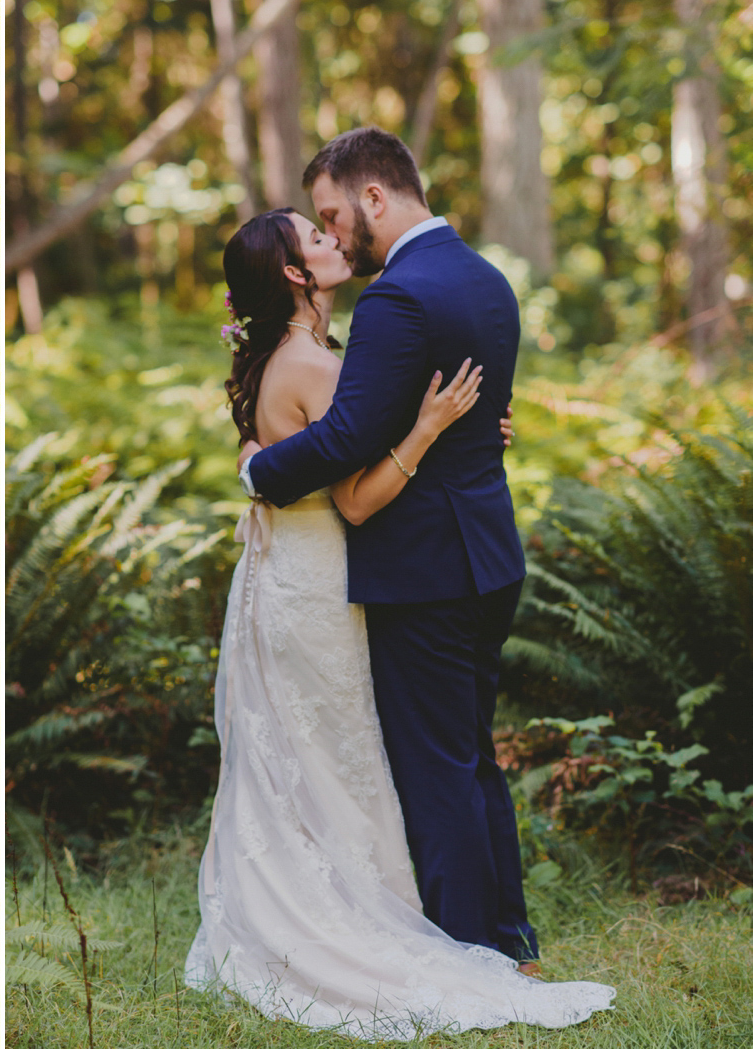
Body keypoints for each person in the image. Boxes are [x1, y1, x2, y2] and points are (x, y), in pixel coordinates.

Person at [185, 149, 616, 1034]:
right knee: (456, 755)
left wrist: (260, 470)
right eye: (317, 230)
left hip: (416, 568)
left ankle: (470, 945)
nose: (335, 232)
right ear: (295, 274)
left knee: (431, 761)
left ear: (373, 197)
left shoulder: (387, 302)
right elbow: (361, 440)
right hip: (477, 555)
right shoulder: (486, 279)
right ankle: (502, 939)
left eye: (333, 216)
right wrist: (436, 433)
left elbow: (349, 444)